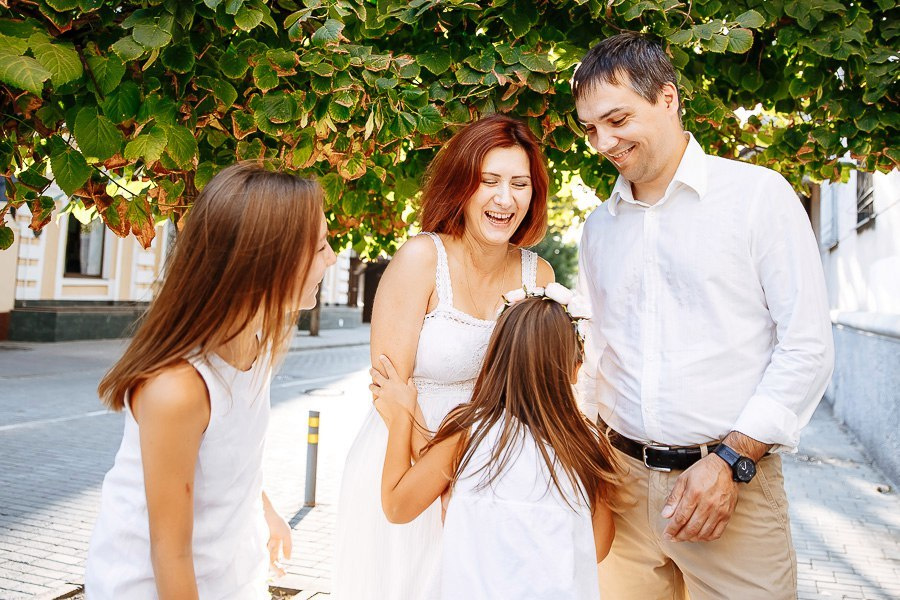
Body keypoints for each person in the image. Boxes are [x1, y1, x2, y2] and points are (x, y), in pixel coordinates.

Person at [572, 33, 834, 599]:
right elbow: (598, 352)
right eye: (590, 127)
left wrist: (731, 460)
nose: (603, 141)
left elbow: (808, 346)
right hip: (619, 486)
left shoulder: (758, 197)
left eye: (617, 119)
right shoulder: (599, 228)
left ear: (667, 98)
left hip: (730, 490)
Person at [84, 162, 337, 599]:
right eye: (319, 247)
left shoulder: (255, 343)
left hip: (230, 574)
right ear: (265, 258)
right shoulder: (177, 388)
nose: (331, 258)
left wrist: (266, 512)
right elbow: (169, 553)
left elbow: (230, 462)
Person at [331, 114, 555, 599]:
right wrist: (441, 479)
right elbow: (390, 392)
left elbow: (540, 393)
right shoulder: (420, 259)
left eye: (520, 184)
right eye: (489, 181)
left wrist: (486, 482)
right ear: (463, 186)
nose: (505, 198)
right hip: (405, 460)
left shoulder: (541, 276)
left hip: (495, 471)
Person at [370, 288, 621, 599]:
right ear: (573, 368)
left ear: (495, 358)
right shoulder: (588, 445)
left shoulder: (469, 433)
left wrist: (401, 418)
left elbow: (398, 505)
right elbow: (597, 547)